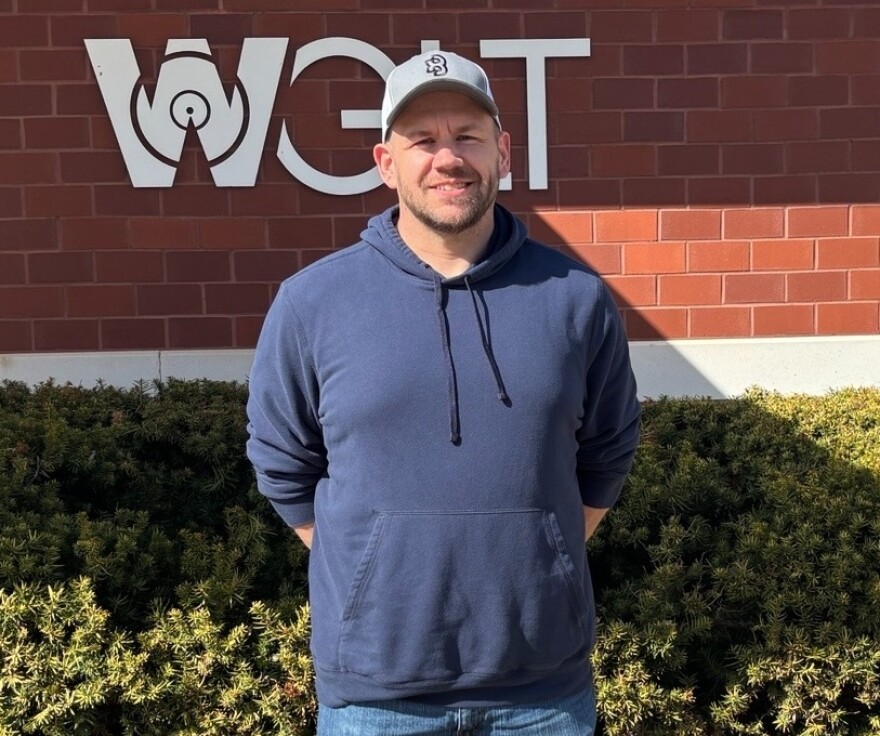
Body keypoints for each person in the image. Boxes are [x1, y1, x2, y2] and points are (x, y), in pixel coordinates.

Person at [246, 50, 641, 736]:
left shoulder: (575, 298)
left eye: (467, 136)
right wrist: (372, 566)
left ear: (503, 152)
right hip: (376, 696)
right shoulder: (313, 303)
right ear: (386, 163)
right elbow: (282, 463)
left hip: (542, 695)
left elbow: (608, 451)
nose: (448, 158)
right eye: (423, 140)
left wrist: (539, 549)